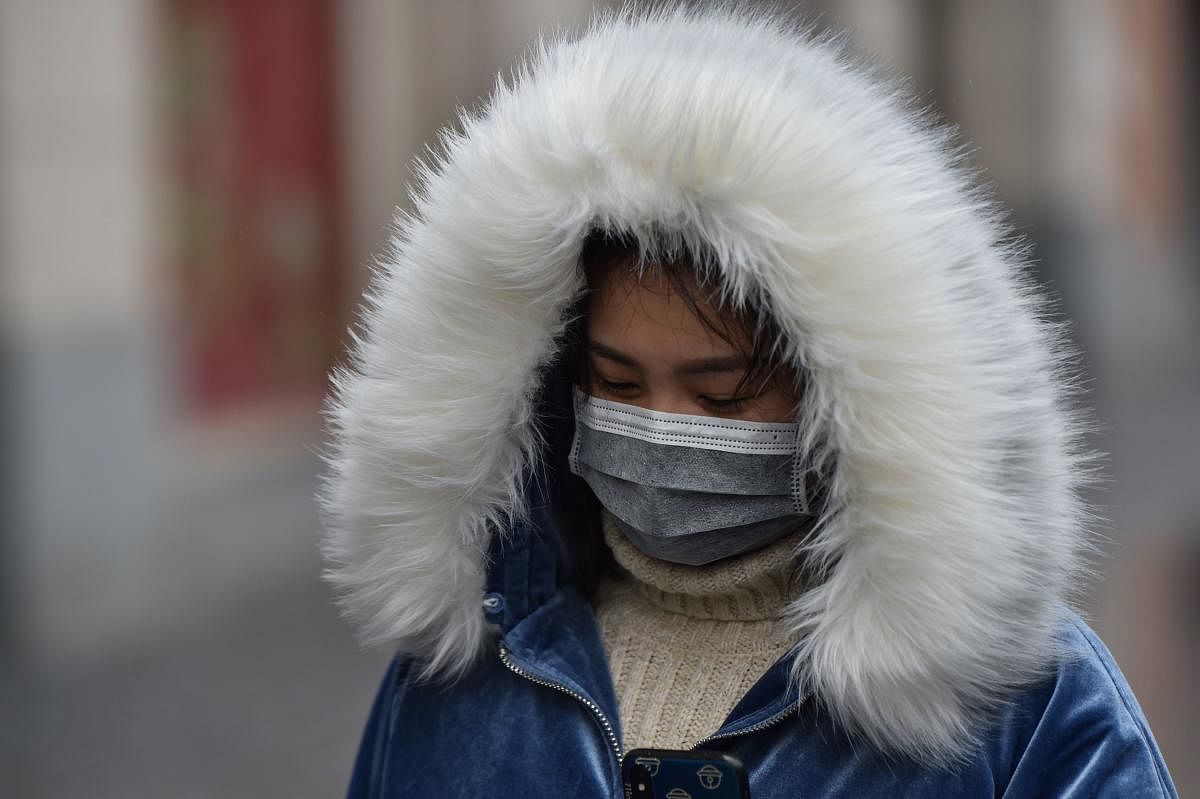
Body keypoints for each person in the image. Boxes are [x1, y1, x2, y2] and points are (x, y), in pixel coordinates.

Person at [319, 5, 1177, 797]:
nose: (661, 428)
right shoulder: (465, 678)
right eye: (617, 383)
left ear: (840, 400)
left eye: (723, 394)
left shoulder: (1026, 709)